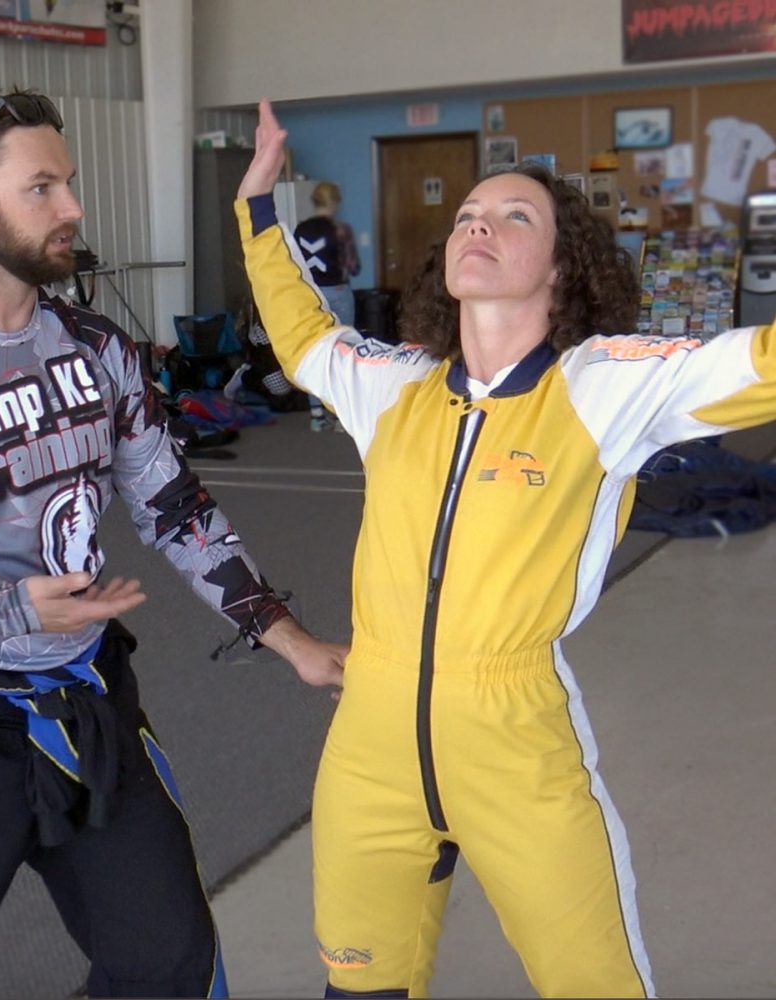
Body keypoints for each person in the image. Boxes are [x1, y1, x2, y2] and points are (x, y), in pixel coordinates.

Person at [0, 89, 346, 999]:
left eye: (70, 184)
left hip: (86, 702)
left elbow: (172, 503)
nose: (73, 208)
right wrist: (0, 606)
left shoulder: (96, 349)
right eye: (41, 187)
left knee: (171, 967)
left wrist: (286, 637)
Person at [234, 99, 776, 998]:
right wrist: (258, 207)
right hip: (368, 742)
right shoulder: (395, 387)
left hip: (515, 741)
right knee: (359, 985)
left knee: (592, 983)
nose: (478, 223)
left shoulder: (600, 387)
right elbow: (302, 335)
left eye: (513, 215)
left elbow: (757, 361)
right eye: (466, 216)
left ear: (562, 269)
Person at [292, 180, 360, 431]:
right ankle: (342, 416)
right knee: (343, 351)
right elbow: (354, 266)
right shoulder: (340, 229)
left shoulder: (301, 229)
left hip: (312, 294)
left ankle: (317, 415)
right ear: (334, 203)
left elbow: (296, 264)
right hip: (339, 292)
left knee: (315, 349)